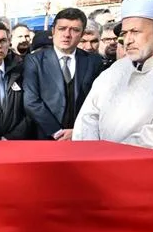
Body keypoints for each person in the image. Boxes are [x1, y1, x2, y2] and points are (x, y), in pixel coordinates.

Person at [74, 0, 153, 151]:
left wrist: (109, 157)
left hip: (146, 170)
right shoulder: (117, 69)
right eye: (124, 33)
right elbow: (88, 116)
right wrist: (91, 155)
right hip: (97, 165)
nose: (127, 40)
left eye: (135, 32)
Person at [23, 8, 102, 140]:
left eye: (75, 30)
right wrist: (56, 132)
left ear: (82, 34)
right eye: (62, 28)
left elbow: (98, 101)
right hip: (46, 137)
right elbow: (31, 101)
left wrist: (77, 132)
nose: (67, 34)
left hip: (81, 137)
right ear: (53, 31)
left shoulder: (93, 61)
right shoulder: (35, 60)